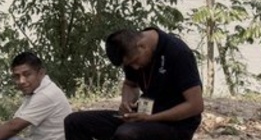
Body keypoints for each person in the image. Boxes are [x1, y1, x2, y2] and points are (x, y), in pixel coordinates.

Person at [64, 27, 204, 140]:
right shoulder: (131, 51)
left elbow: (195, 105)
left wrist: (151, 118)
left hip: (175, 124)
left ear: (142, 46)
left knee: (126, 134)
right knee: (74, 122)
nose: (135, 67)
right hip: (143, 116)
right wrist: (126, 102)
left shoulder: (177, 52)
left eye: (135, 61)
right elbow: (130, 85)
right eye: (129, 65)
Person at [0, 52, 72, 140]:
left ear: (41, 73)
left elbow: (13, 127)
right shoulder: (37, 89)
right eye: (17, 76)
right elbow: (14, 122)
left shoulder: (46, 94)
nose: (21, 81)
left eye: (27, 75)